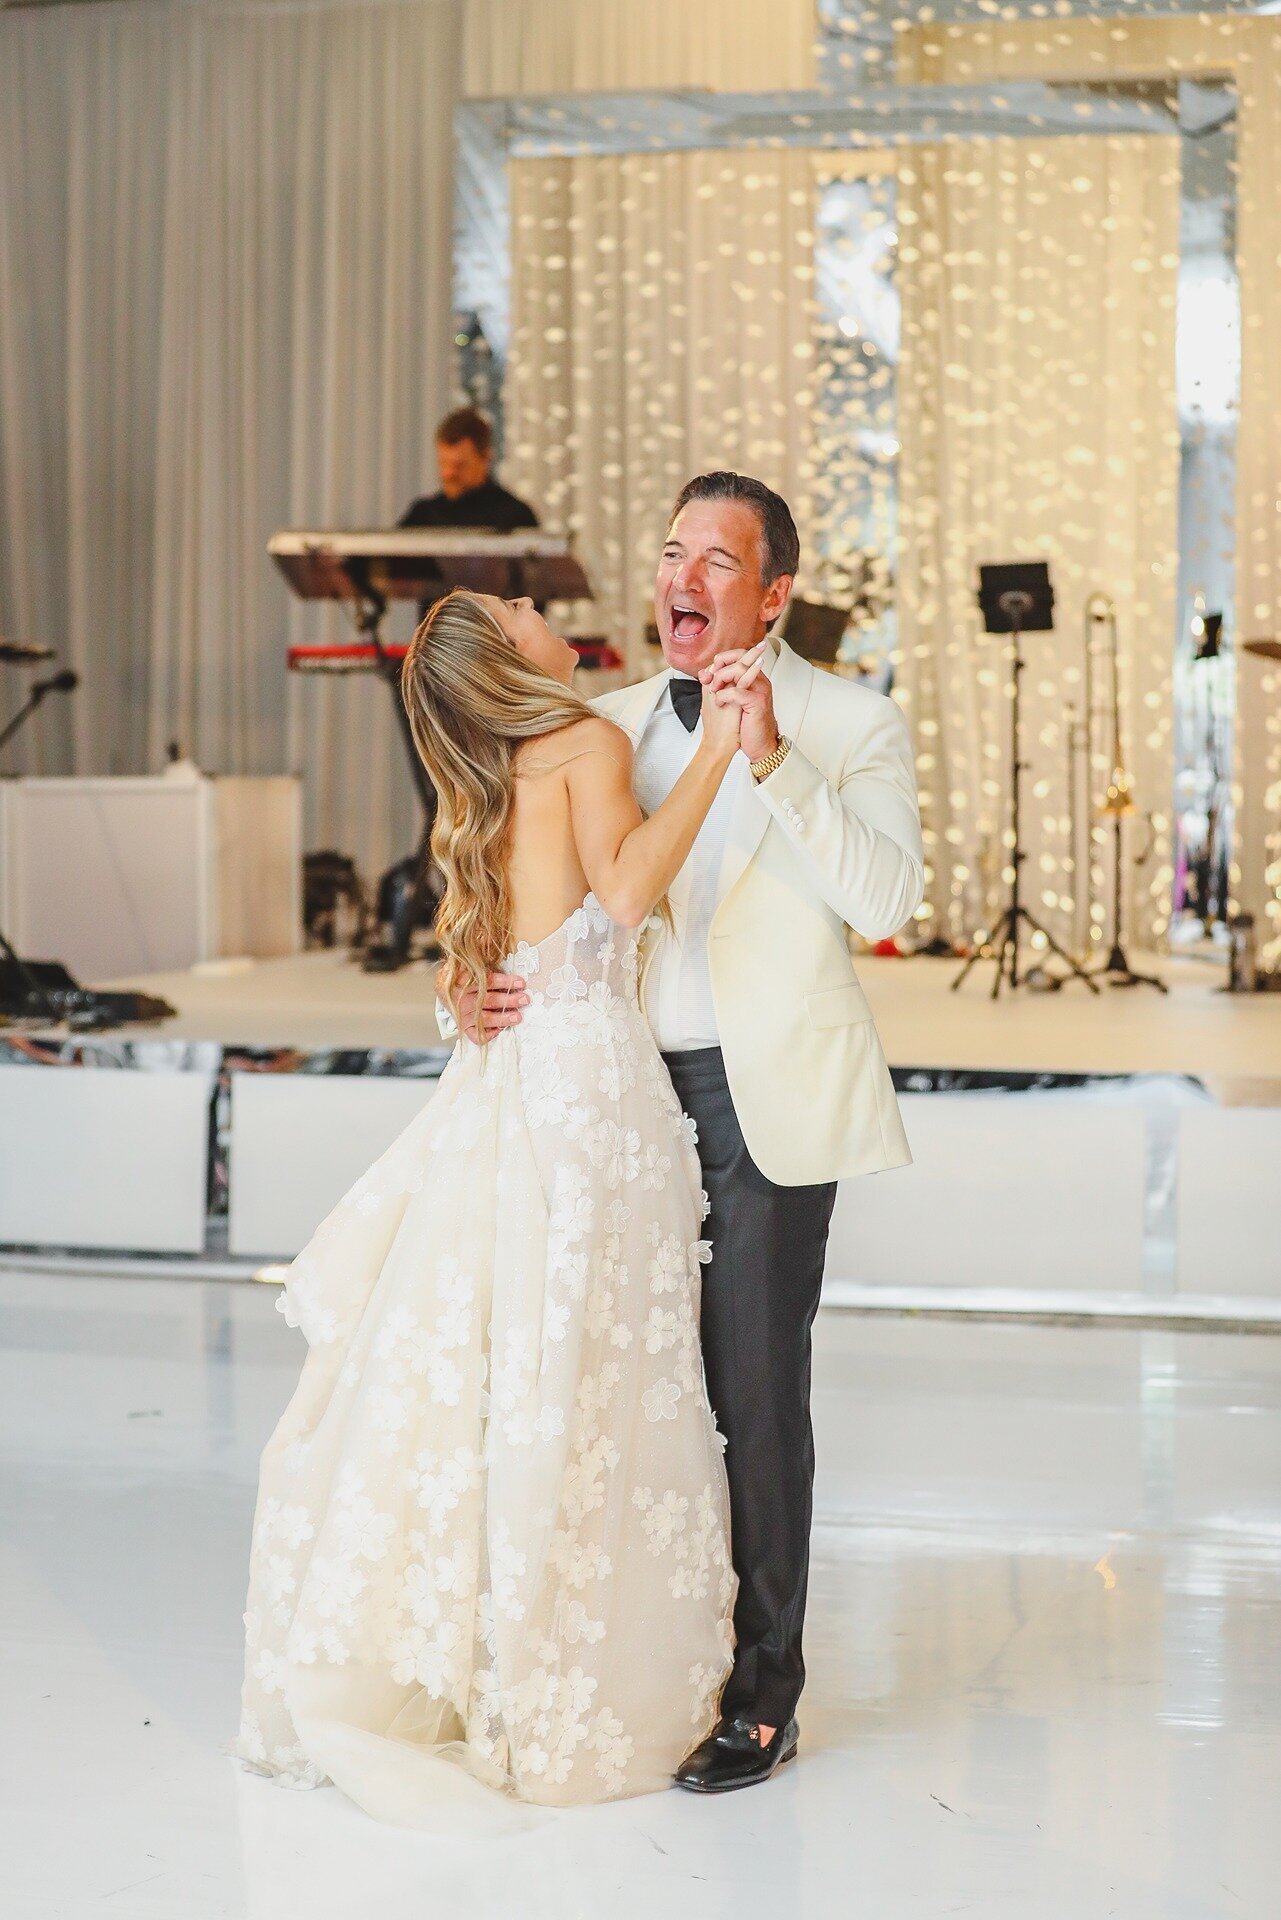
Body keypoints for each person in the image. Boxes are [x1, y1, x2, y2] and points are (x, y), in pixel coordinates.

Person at [226, 585, 768, 1818]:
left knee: (516, 1374)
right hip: (589, 1098)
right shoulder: (586, 741)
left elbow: (489, 956)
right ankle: (561, 1667)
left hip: (514, 1084)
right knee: (590, 1378)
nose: (536, 604)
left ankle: (502, 1659)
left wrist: (458, 998)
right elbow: (625, 894)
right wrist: (723, 759)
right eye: (514, 608)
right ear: (504, 659)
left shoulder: (487, 780)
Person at [451, 471, 924, 1793]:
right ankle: (645, 1657)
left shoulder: (852, 719)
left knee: (753, 1397)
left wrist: (770, 758)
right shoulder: (594, 723)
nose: (688, 578)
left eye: (719, 561)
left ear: (772, 595)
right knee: (627, 1393)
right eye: (674, 553)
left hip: (768, 1101)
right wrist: (470, 981)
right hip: (615, 1097)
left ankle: (762, 1688)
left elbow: (886, 893)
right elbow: (504, 881)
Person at [397, 406, 539, 537]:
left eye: (459, 465)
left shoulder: (515, 517)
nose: (448, 473)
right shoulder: (422, 516)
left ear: (486, 457)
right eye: (443, 463)